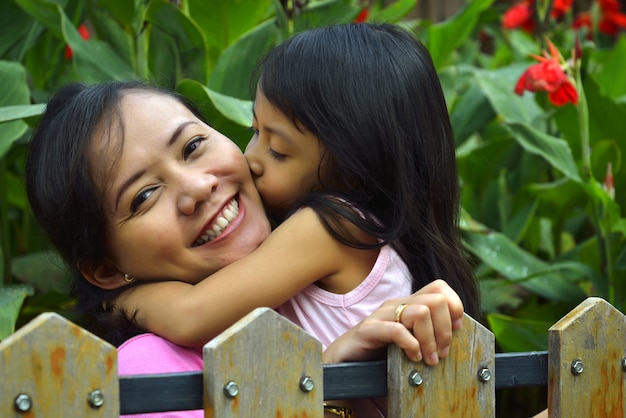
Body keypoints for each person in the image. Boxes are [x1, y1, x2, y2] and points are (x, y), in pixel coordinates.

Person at [25, 79, 468, 418]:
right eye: (143, 196)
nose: (197, 188)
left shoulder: (324, 267)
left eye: (193, 146)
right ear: (104, 269)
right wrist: (328, 384)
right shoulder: (148, 369)